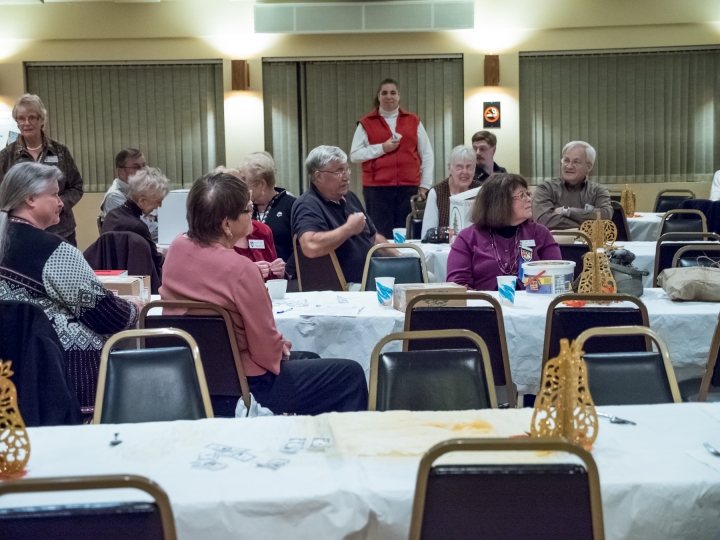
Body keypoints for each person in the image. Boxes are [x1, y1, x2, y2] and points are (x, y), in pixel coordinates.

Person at [159, 171, 368, 415]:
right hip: (245, 384)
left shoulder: (177, 247)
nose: (253, 215)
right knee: (349, 374)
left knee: (310, 357)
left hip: (190, 374)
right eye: (248, 210)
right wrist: (280, 346)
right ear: (227, 224)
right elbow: (265, 350)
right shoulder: (241, 269)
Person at [0, 162, 139, 413]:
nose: (61, 202)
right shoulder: (53, 251)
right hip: (55, 375)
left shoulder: (5, 238)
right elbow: (107, 317)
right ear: (30, 198)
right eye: (54, 194)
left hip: (10, 372)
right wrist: (135, 308)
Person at [292, 145, 398, 286]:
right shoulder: (308, 204)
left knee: (426, 276)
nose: (346, 177)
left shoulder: (350, 198)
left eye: (346, 169)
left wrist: (402, 257)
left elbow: (374, 238)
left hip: (372, 275)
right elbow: (310, 246)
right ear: (319, 176)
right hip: (343, 286)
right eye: (339, 171)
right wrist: (348, 229)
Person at [350, 78, 434, 238]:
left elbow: (427, 153)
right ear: (378, 96)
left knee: (408, 231)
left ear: (399, 96)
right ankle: (383, 261)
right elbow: (355, 154)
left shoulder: (413, 120)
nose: (389, 96)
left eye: (393, 93)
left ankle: (408, 261)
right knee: (381, 232)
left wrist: (425, 184)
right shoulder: (366, 123)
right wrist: (382, 148)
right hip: (376, 189)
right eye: (385, 93)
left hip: (408, 186)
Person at [447, 173, 561, 291]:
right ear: (500, 202)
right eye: (522, 195)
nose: (529, 199)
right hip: (486, 306)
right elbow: (458, 286)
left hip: (535, 305)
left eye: (528, 194)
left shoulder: (540, 233)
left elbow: (557, 274)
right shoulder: (467, 238)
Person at [0, 94, 83, 246]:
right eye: (21, 118)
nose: (26, 123)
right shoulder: (6, 156)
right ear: (17, 122)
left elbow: (77, 186)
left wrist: (59, 203)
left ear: (41, 120)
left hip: (61, 231)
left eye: (32, 117)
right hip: (23, 234)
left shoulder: (60, 151)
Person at [101, 167, 169, 282]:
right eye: (158, 201)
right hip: (138, 283)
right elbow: (156, 261)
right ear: (142, 201)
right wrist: (162, 253)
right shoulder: (137, 227)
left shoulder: (111, 216)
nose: (160, 206)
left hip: (110, 280)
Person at [532, 141, 612, 230]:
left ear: (589, 167)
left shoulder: (598, 191)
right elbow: (543, 220)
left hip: (589, 243)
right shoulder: (546, 188)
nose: (569, 166)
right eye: (566, 160)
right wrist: (587, 225)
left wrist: (567, 211)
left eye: (576, 162)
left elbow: (605, 215)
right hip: (554, 243)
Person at [241, 152, 297, 267]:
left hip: (284, 280)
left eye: (245, 183)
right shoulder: (242, 209)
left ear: (262, 185)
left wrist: (287, 271)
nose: (242, 188)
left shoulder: (292, 205)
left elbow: (300, 247)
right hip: (249, 276)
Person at [422, 145, 481, 237]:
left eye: (469, 167)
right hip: (445, 249)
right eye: (459, 167)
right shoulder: (436, 193)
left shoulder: (481, 191)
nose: (464, 172)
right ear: (450, 168)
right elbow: (427, 233)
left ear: (474, 170)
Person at [100, 148, 158, 241]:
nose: (143, 171)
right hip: (131, 247)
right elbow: (141, 228)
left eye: (144, 165)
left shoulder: (142, 189)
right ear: (121, 172)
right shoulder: (114, 196)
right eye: (136, 167)